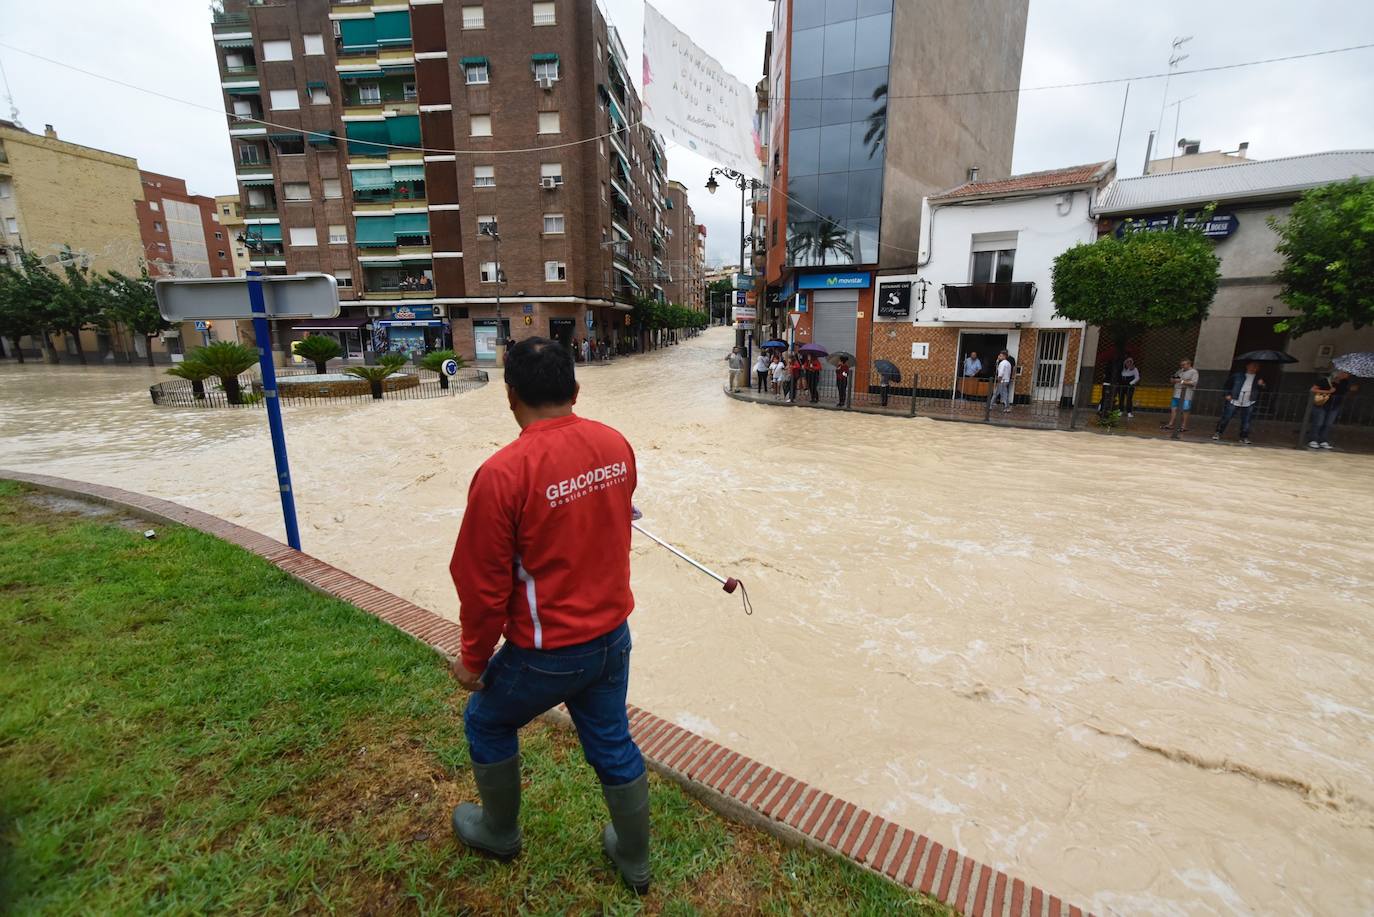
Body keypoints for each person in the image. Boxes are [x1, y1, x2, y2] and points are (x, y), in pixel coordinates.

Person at [448, 338, 650, 894]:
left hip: (549, 651)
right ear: (575, 390)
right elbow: (618, 509)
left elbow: (481, 583)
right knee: (612, 742)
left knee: (487, 720)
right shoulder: (615, 444)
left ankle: (498, 831)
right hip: (613, 637)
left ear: (509, 395)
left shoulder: (502, 473)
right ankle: (635, 861)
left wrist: (472, 659)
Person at [1213, 360, 1266, 444]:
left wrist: (1262, 385)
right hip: (1235, 399)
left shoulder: (1258, 378)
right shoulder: (1238, 375)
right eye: (1253, 365)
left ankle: (1244, 436)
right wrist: (1227, 394)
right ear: (1247, 366)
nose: (1254, 368)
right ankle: (1218, 432)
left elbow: (1262, 389)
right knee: (1226, 417)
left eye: (1256, 366)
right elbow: (1227, 385)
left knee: (1246, 420)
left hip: (1249, 401)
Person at [1309, 369, 1357, 449]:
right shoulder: (1325, 380)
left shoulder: (1344, 382)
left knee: (1328, 424)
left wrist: (1350, 390)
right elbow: (1313, 389)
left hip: (1334, 406)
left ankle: (1323, 440)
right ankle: (1313, 440)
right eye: (1345, 373)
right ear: (1339, 373)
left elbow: (1343, 392)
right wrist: (1328, 391)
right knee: (1318, 423)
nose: (1347, 375)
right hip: (1322, 404)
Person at [1163, 358, 1199, 433]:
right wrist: (1173, 380)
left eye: (1184, 365)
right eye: (1181, 365)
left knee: (1185, 410)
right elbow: (1174, 378)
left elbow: (1193, 383)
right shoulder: (1180, 371)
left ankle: (1184, 426)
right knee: (1174, 408)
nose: (1182, 366)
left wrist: (1181, 381)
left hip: (1186, 394)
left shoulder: (1194, 372)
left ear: (1189, 364)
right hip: (1176, 393)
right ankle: (1171, 424)